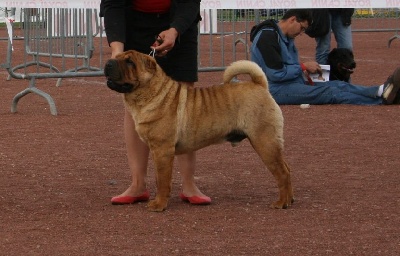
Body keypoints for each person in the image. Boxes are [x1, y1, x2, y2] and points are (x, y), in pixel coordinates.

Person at [101, 0, 211, 205]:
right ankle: (137, 184)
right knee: (135, 102)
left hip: (178, 21)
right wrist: (117, 50)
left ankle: (189, 184)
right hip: (134, 22)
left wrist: (175, 30)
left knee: (185, 102)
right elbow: (112, 4)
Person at [249, 9, 400, 106]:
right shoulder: (267, 37)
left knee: (338, 84)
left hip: (288, 83)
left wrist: (304, 72)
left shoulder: (282, 36)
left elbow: (285, 68)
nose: (301, 33)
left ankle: (380, 91)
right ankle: (381, 100)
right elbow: (277, 74)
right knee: (330, 93)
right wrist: (303, 67)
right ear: (292, 19)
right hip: (273, 90)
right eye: (302, 28)